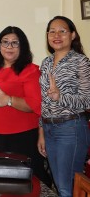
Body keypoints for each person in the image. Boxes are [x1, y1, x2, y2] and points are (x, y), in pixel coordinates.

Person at [0, 26, 51, 186]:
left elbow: (36, 105)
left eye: (15, 43)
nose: (9, 47)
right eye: (5, 42)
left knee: (24, 184)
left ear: (23, 47)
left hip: (21, 137)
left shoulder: (30, 70)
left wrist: (8, 100)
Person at [38, 16, 90, 197]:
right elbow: (43, 101)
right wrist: (41, 132)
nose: (56, 35)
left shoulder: (81, 62)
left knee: (67, 187)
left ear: (73, 35)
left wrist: (61, 97)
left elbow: (87, 100)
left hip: (71, 128)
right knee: (59, 184)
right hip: (49, 127)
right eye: (52, 31)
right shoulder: (45, 63)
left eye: (62, 31)